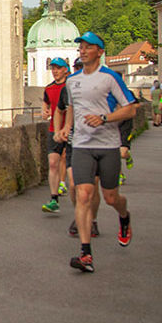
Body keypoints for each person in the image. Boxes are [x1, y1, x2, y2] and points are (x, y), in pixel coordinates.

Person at [56, 32, 137, 273]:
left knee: (111, 197)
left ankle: (124, 216)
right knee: (83, 195)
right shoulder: (72, 81)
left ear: (100, 52)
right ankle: (85, 253)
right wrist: (66, 128)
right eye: (80, 46)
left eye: (88, 47)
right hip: (81, 145)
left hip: (108, 145)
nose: (82, 50)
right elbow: (72, 107)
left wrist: (104, 119)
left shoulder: (110, 78)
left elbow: (130, 109)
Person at [56, 58, 98, 240]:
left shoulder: (99, 85)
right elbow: (59, 109)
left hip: (97, 141)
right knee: (74, 184)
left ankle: (92, 220)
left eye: (82, 67)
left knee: (92, 187)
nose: (80, 70)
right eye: (77, 68)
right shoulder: (68, 88)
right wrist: (60, 130)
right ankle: (81, 215)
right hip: (75, 142)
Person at [39, 58, 70, 213]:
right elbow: (45, 102)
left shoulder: (71, 85)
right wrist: (44, 111)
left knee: (69, 163)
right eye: (53, 68)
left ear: (66, 69)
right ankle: (54, 198)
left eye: (58, 68)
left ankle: (80, 200)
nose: (55, 71)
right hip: (54, 129)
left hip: (72, 129)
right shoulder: (49, 88)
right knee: (53, 162)